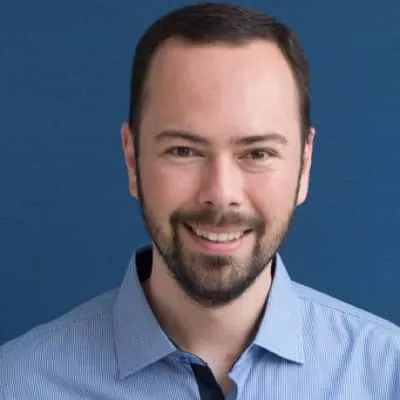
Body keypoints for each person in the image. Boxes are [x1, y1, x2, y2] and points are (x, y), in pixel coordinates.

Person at [1, 2, 399, 399]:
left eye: (257, 153)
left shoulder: (388, 375)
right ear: (132, 159)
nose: (221, 194)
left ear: (304, 164)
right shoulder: (17, 384)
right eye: (183, 151)